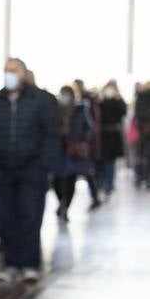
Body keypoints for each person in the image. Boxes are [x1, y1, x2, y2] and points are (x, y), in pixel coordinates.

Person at [0, 57, 60, 284]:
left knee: (30, 215)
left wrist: (45, 165)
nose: (9, 74)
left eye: (13, 71)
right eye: (6, 70)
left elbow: (51, 134)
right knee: (6, 217)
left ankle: (29, 263)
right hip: (1, 170)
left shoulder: (41, 100)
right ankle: (11, 263)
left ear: (24, 73)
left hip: (32, 169)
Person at [51, 84, 96, 222]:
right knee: (57, 180)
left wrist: (81, 140)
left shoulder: (80, 110)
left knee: (70, 180)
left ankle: (65, 207)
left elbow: (88, 128)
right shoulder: (56, 111)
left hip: (74, 150)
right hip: (59, 149)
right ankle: (61, 202)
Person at [97, 79, 126, 198]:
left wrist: (116, 98)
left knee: (110, 162)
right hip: (102, 136)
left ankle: (109, 184)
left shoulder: (118, 101)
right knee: (102, 161)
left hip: (113, 136)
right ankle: (103, 183)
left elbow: (122, 112)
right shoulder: (100, 102)